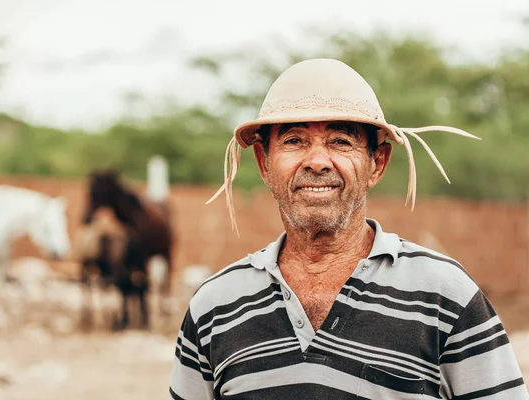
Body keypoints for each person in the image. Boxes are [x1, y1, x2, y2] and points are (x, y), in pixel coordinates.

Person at [169, 58, 527, 399]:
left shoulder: (445, 296)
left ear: (377, 163)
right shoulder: (214, 307)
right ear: (264, 164)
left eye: (341, 141)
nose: (317, 161)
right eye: (294, 140)